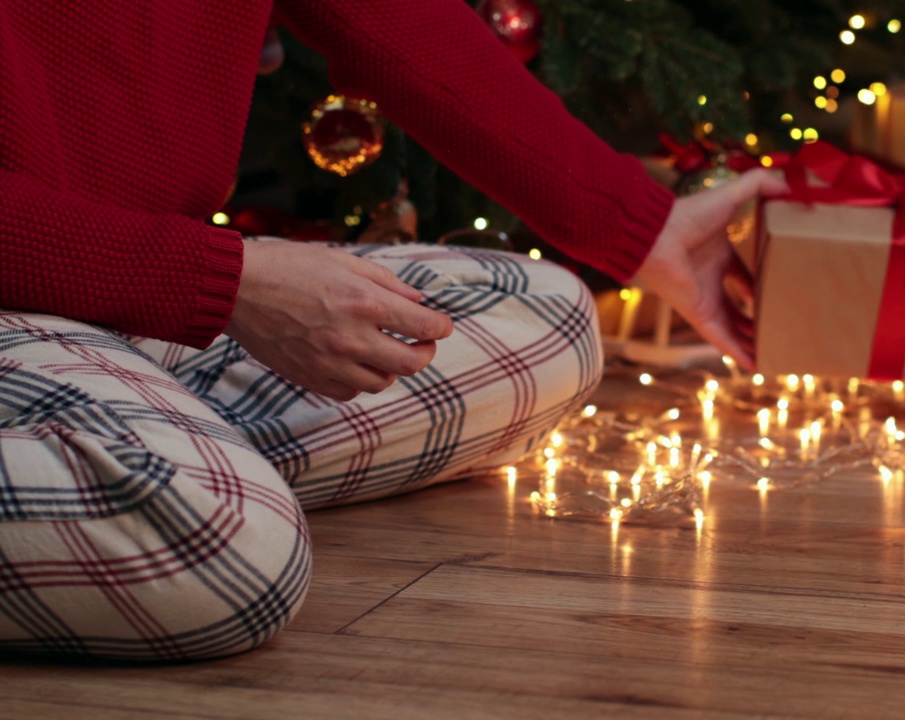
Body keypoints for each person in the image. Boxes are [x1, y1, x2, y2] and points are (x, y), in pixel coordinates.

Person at [0, 0, 786, 661]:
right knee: (228, 554)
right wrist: (225, 280)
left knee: (550, 320)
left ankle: (133, 454)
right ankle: (164, 473)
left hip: (130, 297)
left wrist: (643, 229)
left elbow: (393, 18)